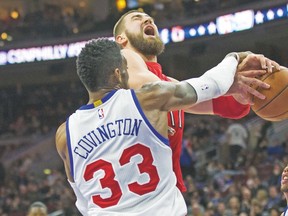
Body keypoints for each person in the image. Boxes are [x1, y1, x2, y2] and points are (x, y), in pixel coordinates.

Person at [55, 38, 266, 215]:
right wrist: (235, 58)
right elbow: (212, 85)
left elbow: (84, 203)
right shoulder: (149, 98)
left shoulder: (65, 135)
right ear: (118, 73)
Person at [113, 9, 281, 191]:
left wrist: (241, 89)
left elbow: (229, 108)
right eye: (137, 19)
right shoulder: (124, 65)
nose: (147, 21)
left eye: (150, 19)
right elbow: (197, 89)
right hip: (136, 200)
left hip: (163, 197)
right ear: (121, 39)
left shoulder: (168, 83)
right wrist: (234, 60)